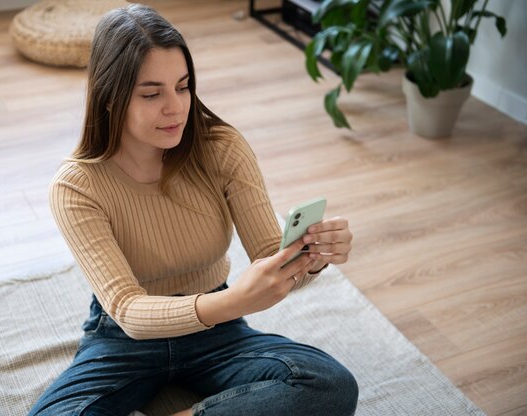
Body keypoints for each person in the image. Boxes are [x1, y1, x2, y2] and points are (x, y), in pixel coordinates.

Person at [29, 4, 357, 416]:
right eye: (152, 94)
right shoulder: (76, 186)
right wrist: (236, 301)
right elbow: (129, 310)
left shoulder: (221, 148)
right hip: (123, 340)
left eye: (183, 87)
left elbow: (268, 258)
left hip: (217, 332)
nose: (176, 107)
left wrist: (312, 257)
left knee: (328, 385)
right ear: (109, 98)